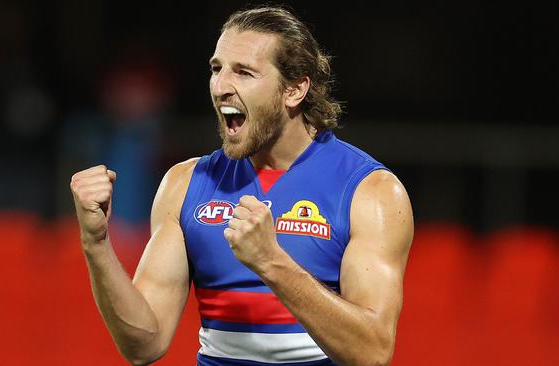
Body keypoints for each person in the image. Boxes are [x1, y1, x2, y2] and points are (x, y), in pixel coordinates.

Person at [70, 6, 413, 366]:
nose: (221, 87)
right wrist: (96, 243)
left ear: (294, 89)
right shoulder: (186, 184)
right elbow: (143, 345)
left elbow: (372, 353)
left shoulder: (369, 192)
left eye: (244, 72)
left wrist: (271, 262)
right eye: (217, 69)